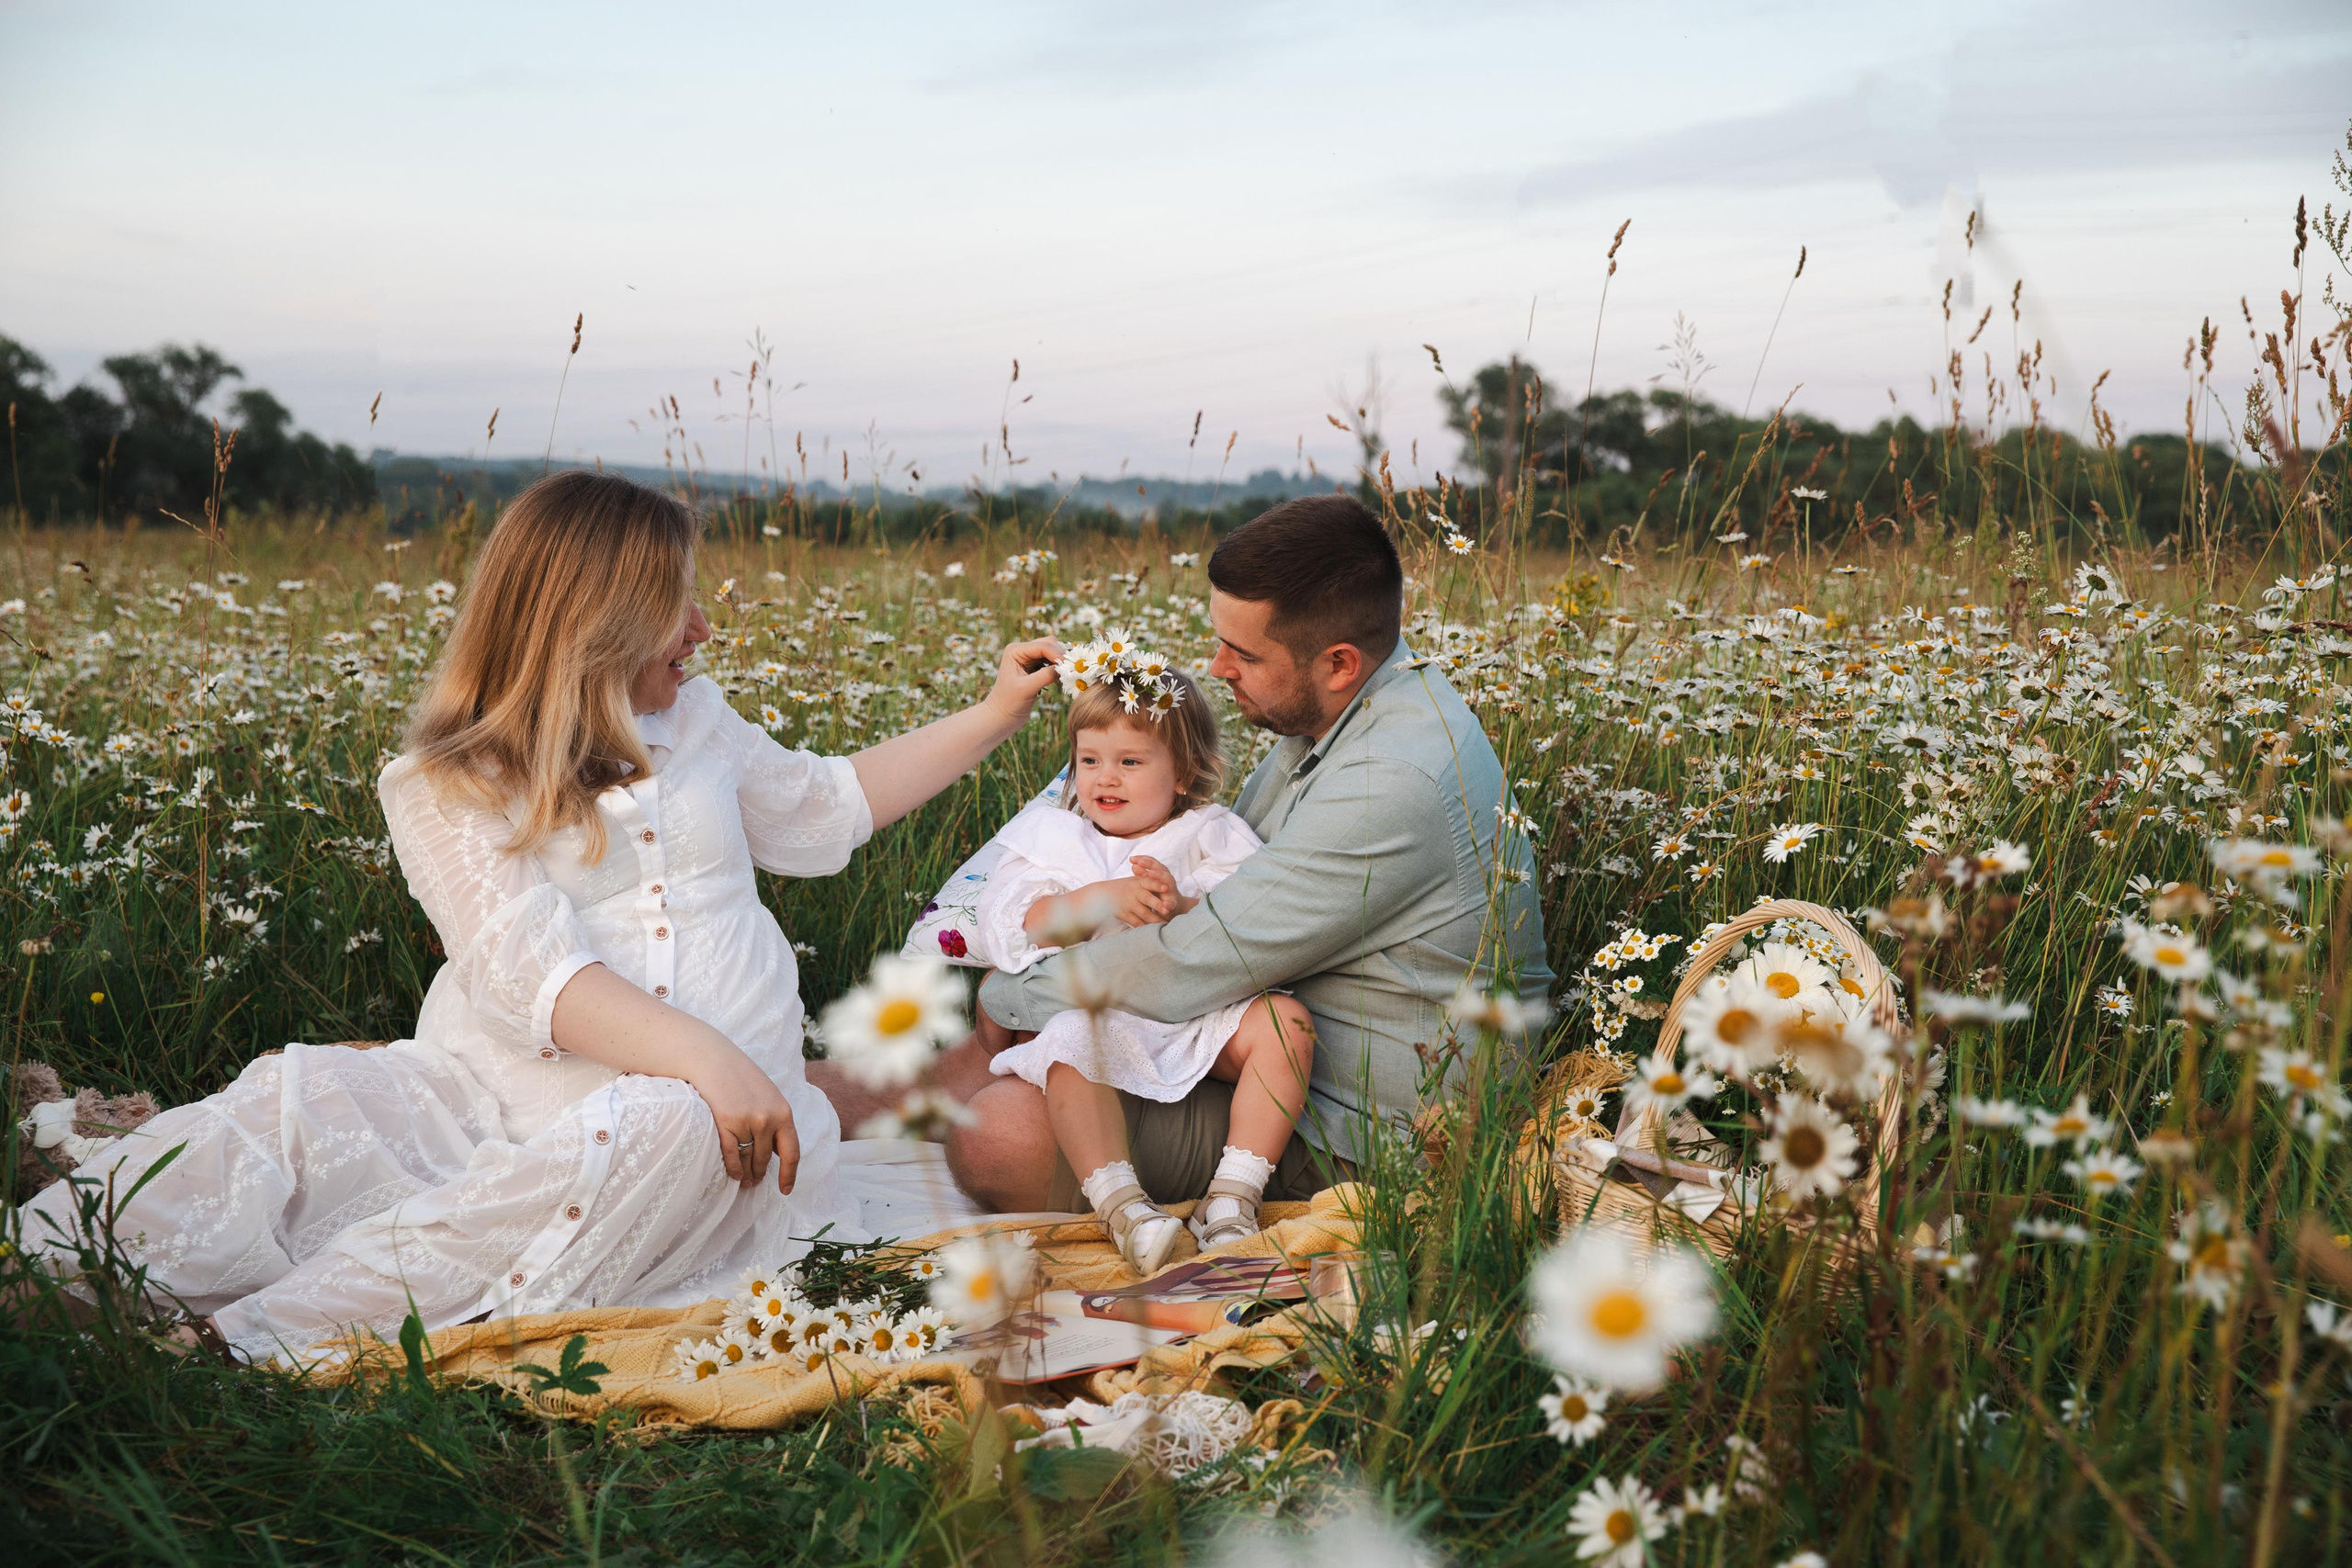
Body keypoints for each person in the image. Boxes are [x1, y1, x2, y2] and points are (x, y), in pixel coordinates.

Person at [12, 470, 1062, 1364]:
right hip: (492, 1092)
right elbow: (524, 975)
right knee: (307, 1096)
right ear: (593, 622)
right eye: (676, 604)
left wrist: (994, 713)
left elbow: (824, 812)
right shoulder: (444, 778)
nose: (701, 628)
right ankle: (51, 1281)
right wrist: (712, 1055)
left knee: (666, 1123)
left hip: (708, 1132)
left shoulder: (696, 721)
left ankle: (241, 1347)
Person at [899, 492, 1555, 1214]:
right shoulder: (1347, 713)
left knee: (1000, 1134)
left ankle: (930, 1087)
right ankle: (887, 1089)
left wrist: (1008, 993)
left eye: (1242, 652)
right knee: (1023, 1075)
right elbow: (1223, 898)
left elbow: (1192, 961)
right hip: (1273, 1053)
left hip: (1367, 1128)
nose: (1215, 667)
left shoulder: (1388, 782)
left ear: (1338, 662)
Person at [962, 663, 1316, 1273]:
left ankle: (1233, 1196)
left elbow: (1253, 912)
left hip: (1200, 1009)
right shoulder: (1057, 838)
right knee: (1073, 1047)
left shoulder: (1209, 831)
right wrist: (1094, 901)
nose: (1106, 777)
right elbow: (1008, 921)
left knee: (1288, 1024)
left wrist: (1183, 905)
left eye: (1130, 761)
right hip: (1104, 1016)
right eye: (1090, 759)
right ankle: (1123, 1207)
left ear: (1183, 773)